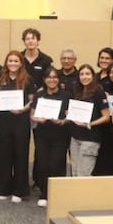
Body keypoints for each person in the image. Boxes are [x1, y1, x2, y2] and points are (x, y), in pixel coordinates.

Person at [0, 50, 34, 202]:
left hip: (21, 121)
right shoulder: (0, 79)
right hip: (4, 121)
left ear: (21, 63)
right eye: (10, 60)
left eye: (16, 61)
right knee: (3, 154)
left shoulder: (27, 80)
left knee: (20, 154)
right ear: (6, 63)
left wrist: (23, 109)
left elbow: (32, 100)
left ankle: (19, 190)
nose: (13, 63)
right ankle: (4, 188)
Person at [31, 67, 70, 206]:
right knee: (43, 164)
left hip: (60, 134)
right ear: (44, 79)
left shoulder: (66, 95)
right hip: (42, 134)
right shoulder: (39, 95)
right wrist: (37, 119)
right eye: (49, 77)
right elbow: (32, 114)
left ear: (58, 80)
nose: (52, 80)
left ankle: (57, 193)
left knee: (56, 164)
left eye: (55, 77)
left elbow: (70, 116)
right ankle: (44, 194)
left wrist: (62, 121)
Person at [68, 64, 110, 177]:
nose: (84, 77)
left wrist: (89, 124)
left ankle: (84, 195)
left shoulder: (98, 92)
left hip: (90, 139)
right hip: (75, 137)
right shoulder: (77, 91)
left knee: (84, 174)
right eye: (81, 74)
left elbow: (106, 116)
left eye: (87, 74)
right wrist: (69, 114)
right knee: (75, 172)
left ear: (93, 76)